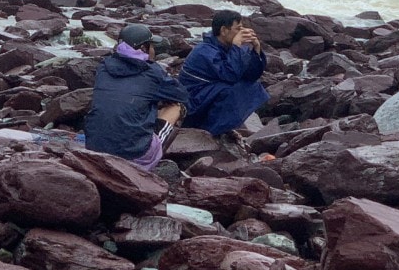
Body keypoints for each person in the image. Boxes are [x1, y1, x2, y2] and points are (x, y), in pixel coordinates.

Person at [83, 23, 189, 172]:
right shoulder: (152, 72)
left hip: (94, 149)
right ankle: (151, 158)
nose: (154, 49)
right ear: (144, 49)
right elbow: (182, 95)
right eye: (151, 45)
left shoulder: (103, 67)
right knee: (177, 106)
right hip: (134, 155)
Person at [178, 9, 269, 137]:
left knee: (251, 85)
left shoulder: (230, 47)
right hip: (192, 102)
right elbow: (230, 75)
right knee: (232, 90)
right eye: (238, 29)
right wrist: (237, 46)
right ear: (224, 30)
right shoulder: (204, 51)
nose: (241, 33)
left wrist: (256, 49)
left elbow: (251, 75)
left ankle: (223, 127)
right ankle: (210, 131)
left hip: (208, 95)